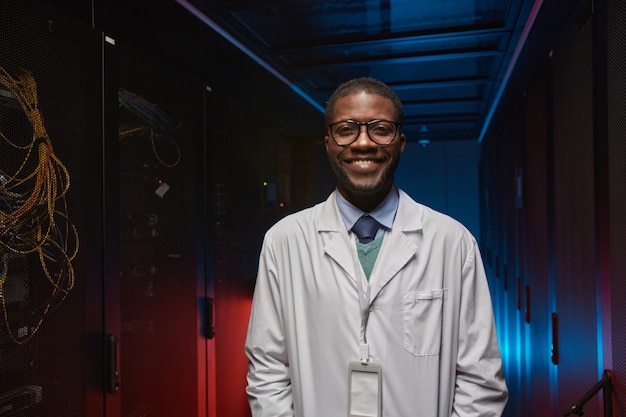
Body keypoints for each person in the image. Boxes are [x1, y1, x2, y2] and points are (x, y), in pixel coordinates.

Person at [245, 77, 508, 417]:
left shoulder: (451, 242)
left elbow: (481, 379)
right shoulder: (285, 241)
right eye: (346, 129)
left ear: (401, 142)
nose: (363, 143)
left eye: (380, 129)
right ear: (328, 142)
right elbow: (267, 370)